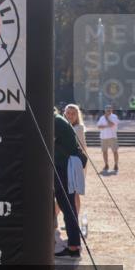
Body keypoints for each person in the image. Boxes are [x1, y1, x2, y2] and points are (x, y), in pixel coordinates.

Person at [55, 108, 86, 258]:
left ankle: (74, 246)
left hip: (63, 168)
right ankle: (73, 245)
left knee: (67, 206)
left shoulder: (55, 121)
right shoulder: (57, 120)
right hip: (63, 167)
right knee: (67, 206)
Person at [64, 103, 88, 237]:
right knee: (70, 192)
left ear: (77, 115)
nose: (70, 116)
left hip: (74, 163)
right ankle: (72, 219)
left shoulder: (78, 128)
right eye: (68, 113)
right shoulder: (66, 125)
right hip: (68, 163)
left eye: (73, 113)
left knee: (74, 192)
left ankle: (74, 219)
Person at [96, 104, 119, 174]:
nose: (108, 110)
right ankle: (106, 164)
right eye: (107, 109)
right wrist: (107, 125)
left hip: (112, 137)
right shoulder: (102, 117)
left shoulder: (114, 117)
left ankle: (116, 164)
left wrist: (106, 119)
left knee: (115, 151)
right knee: (104, 152)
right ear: (105, 110)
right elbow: (98, 126)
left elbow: (112, 124)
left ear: (111, 110)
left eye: (109, 109)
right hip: (103, 137)